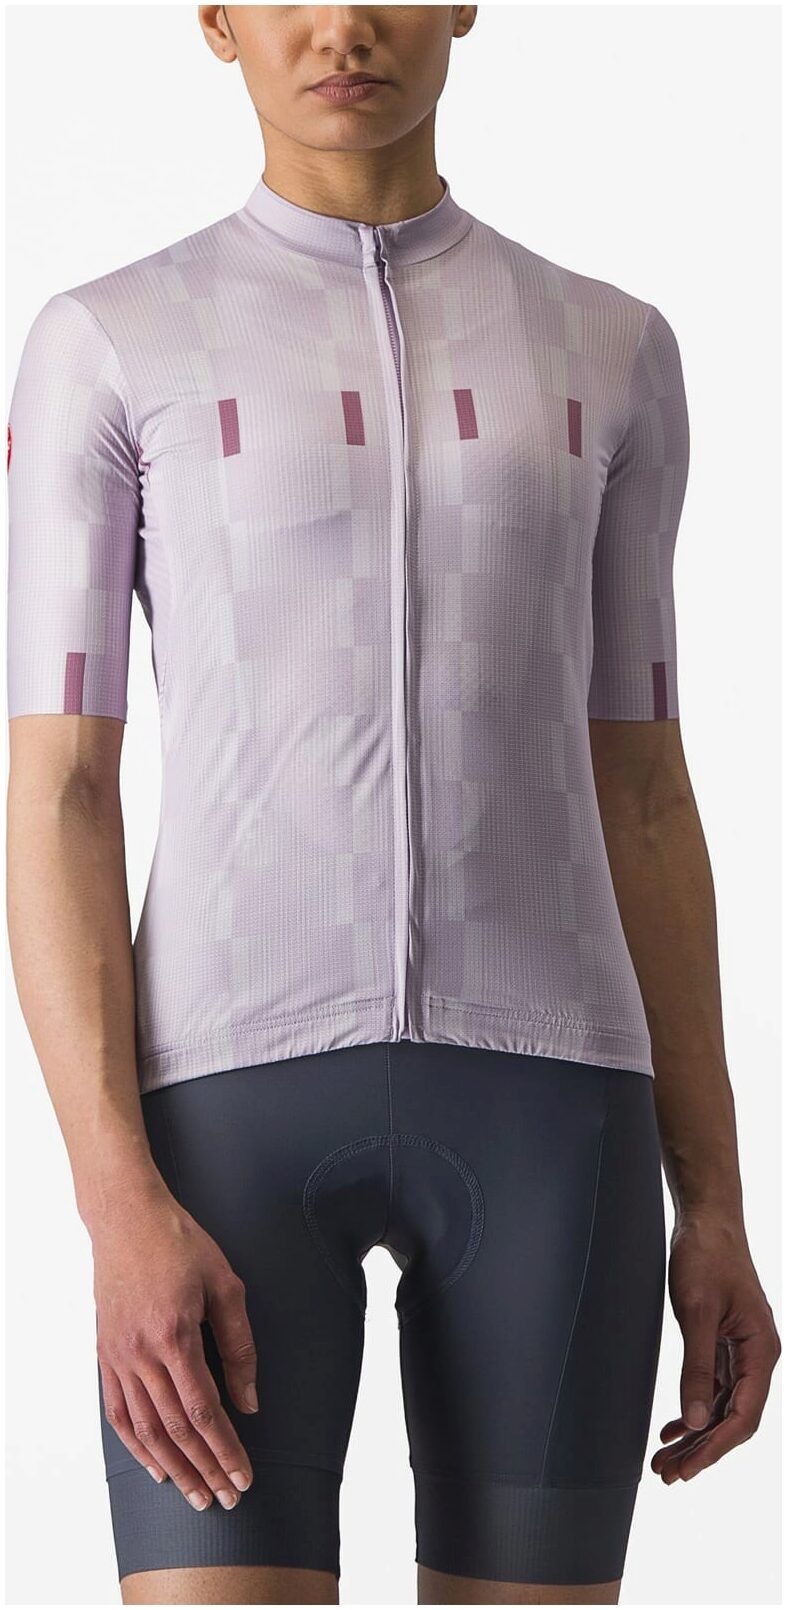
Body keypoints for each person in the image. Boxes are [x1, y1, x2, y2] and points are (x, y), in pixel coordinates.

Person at [5, 5, 780, 1606]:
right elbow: (61, 785)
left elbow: (645, 788)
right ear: (216, 20)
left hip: (556, 1110)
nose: (343, 26)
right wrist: (115, 1199)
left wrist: (714, 1197)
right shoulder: (111, 341)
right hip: (221, 1117)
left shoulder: (613, 348)